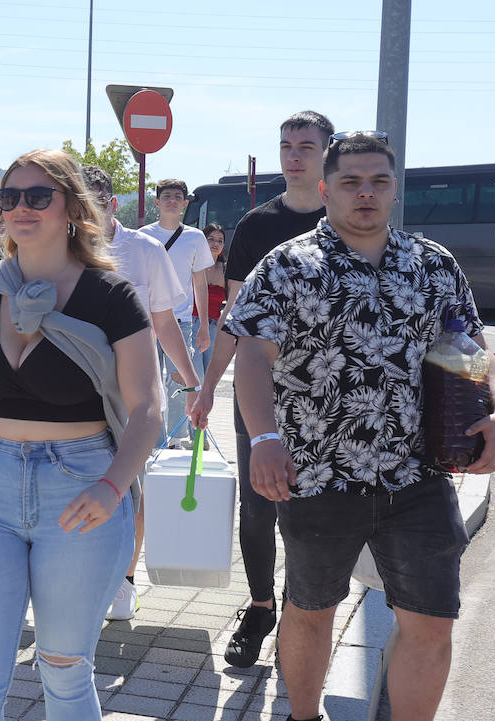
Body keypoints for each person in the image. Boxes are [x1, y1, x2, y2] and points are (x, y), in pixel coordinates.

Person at [228, 131, 495, 721]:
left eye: (378, 181)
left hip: (419, 475)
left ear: (394, 189)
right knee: (310, 610)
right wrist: (263, 438)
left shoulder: (433, 264)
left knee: (432, 620)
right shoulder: (288, 267)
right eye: (352, 182)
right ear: (327, 189)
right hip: (316, 477)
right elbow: (251, 359)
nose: (366, 193)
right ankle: (304, 717)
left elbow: (473, 346)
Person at [0, 149, 162, 720]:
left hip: (82, 487)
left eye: (38, 196)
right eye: (9, 197)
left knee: (65, 674)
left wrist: (114, 487)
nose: (22, 208)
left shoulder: (111, 296)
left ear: (71, 207)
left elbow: (148, 407)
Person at [188, 110, 335, 669]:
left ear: (326, 152)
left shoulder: (345, 217)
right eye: (285, 145)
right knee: (258, 508)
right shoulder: (254, 226)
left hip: (330, 400)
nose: (293, 155)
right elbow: (236, 320)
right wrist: (206, 390)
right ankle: (260, 606)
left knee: (318, 509)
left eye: (305, 145)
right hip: (261, 395)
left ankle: (305, 610)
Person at [80, 164, 200, 622]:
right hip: (74, 391)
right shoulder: (59, 250)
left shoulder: (144, 250)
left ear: (111, 205)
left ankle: (124, 582)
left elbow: (166, 323)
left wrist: (191, 385)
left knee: (131, 485)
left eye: (92, 205)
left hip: (133, 391)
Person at [138, 179, 212, 447]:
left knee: (180, 380)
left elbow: (199, 282)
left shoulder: (195, 237)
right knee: (150, 380)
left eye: (177, 196)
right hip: (146, 320)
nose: (172, 200)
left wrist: (203, 324)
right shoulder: (143, 236)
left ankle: (176, 439)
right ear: (157, 203)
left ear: (185, 203)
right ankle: (155, 440)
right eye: (166, 196)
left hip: (180, 320)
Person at [194, 223, 226, 375]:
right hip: (192, 324)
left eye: (220, 241)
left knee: (208, 378)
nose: (215, 243)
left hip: (214, 328)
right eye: (211, 239)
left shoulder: (226, 269)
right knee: (195, 376)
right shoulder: (193, 264)